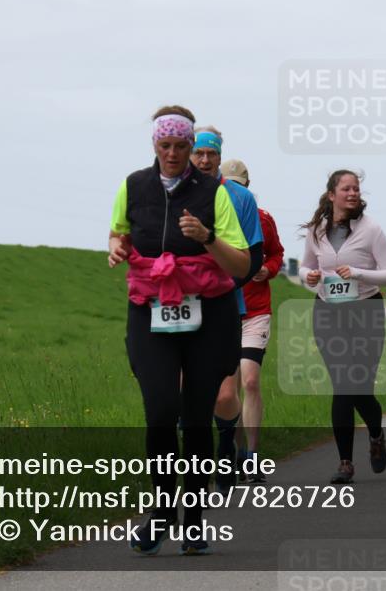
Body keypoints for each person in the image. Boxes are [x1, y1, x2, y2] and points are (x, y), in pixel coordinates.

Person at [109, 105, 249, 556]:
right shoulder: (133, 186)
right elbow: (119, 233)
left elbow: (242, 265)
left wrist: (207, 237)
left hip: (209, 313)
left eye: (180, 146)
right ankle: (162, 511)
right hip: (151, 310)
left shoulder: (215, 192)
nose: (172, 153)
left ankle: (192, 519)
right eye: (164, 145)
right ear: (154, 144)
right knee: (160, 411)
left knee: (194, 416)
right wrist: (116, 247)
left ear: (193, 148)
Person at [301, 170, 386, 483]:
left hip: (365, 312)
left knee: (360, 387)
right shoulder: (317, 230)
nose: (353, 193)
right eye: (346, 188)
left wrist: (358, 273)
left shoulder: (371, 230)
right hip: (328, 312)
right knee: (343, 385)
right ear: (332, 195)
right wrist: (309, 277)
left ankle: (375, 433)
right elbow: (305, 266)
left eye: (356, 188)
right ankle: (345, 462)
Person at [190, 128, 264, 496]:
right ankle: (197, 469)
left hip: (224, 304)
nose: (204, 160)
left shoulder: (240, 197)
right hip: (180, 307)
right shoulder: (173, 193)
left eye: (211, 154)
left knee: (223, 393)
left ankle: (225, 446)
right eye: (198, 153)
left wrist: (224, 288)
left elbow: (254, 257)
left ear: (220, 157)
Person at [219, 158, 285, 483]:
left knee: (250, 380)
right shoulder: (212, 220)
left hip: (256, 311)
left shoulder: (262, 219)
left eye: (239, 187)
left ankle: (252, 456)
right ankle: (232, 451)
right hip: (225, 311)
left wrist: (267, 269)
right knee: (226, 390)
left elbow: (276, 253)